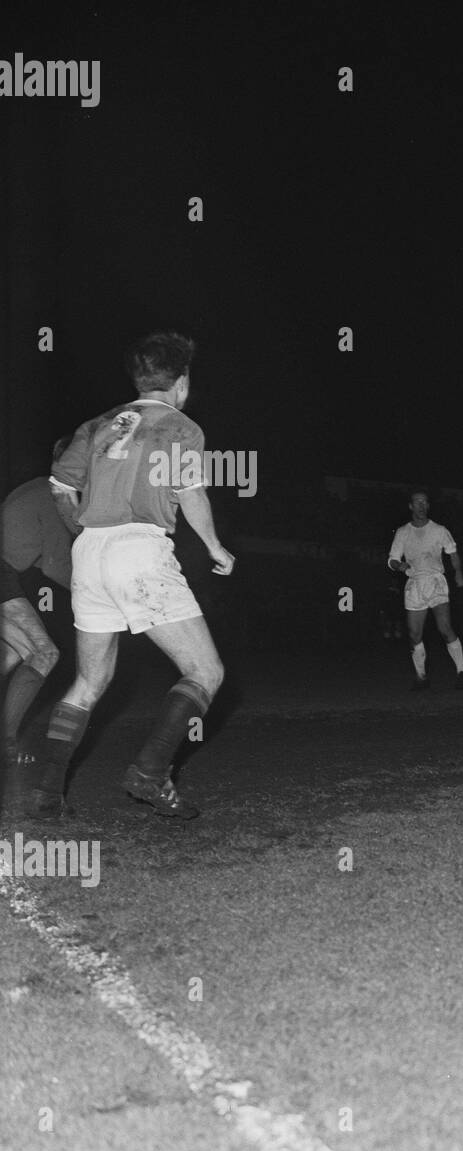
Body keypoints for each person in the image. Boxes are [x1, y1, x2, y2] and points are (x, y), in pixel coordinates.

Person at [29, 332, 234, 820]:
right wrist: (213, 546)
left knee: (88, 681)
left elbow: (60, 486)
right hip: (139, 551)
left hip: (90, 552)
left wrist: (84, 530)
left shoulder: (97, 424)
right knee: (206, 672)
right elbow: (191, 495)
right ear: (181, 382)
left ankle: (45, 795)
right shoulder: (182, 427)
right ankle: (149, 772)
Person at [2, 438, 75, 765]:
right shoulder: (52, 496)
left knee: (14, 654)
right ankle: (5, 744)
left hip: (7, 574)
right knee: (44, 652)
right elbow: (56, 566)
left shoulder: (35, 488)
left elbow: (29, 552)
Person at [387, 489, 463, 690]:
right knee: (414, 634)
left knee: (445, 628)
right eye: (417, 502)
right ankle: (421, 677)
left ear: (428, 506)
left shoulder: (440, 530)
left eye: (425, 502)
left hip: (436, 582)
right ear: (411, 506)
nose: (422, 506)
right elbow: (392, 560)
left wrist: (458, 573)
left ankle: (462, 672)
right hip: (414, 584)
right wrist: (399, 566)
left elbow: (453, 553)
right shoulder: (402, 532)